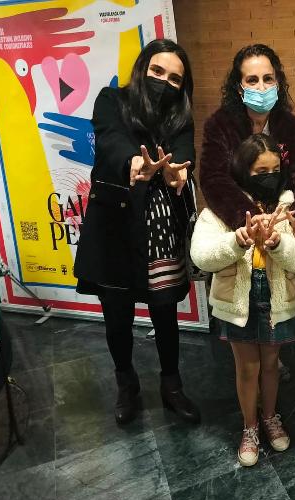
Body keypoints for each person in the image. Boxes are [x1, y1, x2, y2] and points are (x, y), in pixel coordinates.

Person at [74, 39, 200, 426]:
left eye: (175, 78)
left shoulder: (180, 115)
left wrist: (179, 170)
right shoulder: (112, 99)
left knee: (165, 311)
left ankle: (171, 386)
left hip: (161, 228)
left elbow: (184, 152)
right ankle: (126, 384)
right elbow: (110, 139)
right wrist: (132, 161)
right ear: (143, 67)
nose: (164, 82)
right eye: (158, 71)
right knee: (117, 315)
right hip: (115, 227)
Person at [199, 43, 295, 383]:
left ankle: (271, 356)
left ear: (278, 81)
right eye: (252, 80)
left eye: (268, 78)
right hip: (238, 224)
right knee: (240, 299)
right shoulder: (220, 125)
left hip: (279, 226)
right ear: (239, 86)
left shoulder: (292, 128)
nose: (261, 86)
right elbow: (213, 178)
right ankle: (246, 360)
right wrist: (250, 219)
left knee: (275, 298)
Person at [190, 134, 295, 467]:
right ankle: (250, 427)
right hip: (237, 301)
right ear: (244, 170)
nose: (269, 177)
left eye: (275, 170)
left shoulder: (289, 210)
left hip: (276, 301)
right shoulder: (220, 208)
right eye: (260, 171)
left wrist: (278, 244)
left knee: (271, 365)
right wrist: (237, 241)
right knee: (247, 368)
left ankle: (270, 417)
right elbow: (201, 256)